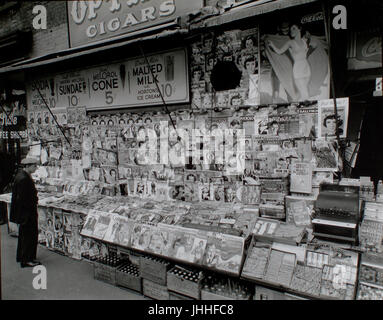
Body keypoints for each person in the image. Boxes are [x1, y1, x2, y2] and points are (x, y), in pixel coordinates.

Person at [9, 158, 42, 268]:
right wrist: (33, 202)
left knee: (25, 236)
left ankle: (23, 257)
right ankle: (27, 260)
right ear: (28, 166)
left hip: (24, 213)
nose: (36, 168)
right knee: (29, 236)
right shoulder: (24, 179)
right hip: (27, 214)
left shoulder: (21, 175)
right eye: (34, 166)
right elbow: (23, 199)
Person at [267, 23, 311, 101]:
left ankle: (296, 105)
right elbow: (279, 51)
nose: (291, 31)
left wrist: (309, 38)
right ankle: (301, 106)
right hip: (298, 68)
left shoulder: (304, 41)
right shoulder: (290, 42)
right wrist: (272, 45)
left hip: (306, 67)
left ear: (299, 29)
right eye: (291, 30)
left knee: (303, 91)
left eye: (293, 28)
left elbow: (310, 46)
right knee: (304, 92)